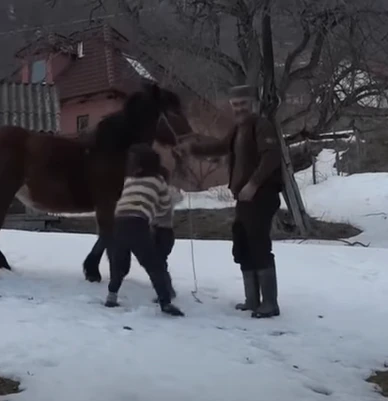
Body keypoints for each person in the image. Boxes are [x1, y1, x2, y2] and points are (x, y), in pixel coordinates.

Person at [182, 84, 283, 318]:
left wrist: (253, 184)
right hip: (244, 198)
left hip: (261, 195)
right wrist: (192, 150)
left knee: (259, 245)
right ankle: (251, 300)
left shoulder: (261, 125)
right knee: (243, 244)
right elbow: (219, 147)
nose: (239, 108)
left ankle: (270, 303)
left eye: (243, 104)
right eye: (235, 105)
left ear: (253, 104)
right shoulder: (238, 129)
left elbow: (271, 157)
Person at [105, 144, 185, 317]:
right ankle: (165, 302)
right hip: (137, 223)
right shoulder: (157, 180)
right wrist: (152, 212)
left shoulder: (129, 180)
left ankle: (111, 296)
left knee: (119, 263)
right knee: (153, 265)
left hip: (118, 222)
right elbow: (164, 205)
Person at [150, 164, 183, 304]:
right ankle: (167, 289)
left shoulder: (161, 193)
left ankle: (166, 291)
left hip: (161, 231)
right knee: (159, 263)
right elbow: (179, 197)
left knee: (158, 263)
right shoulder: (169, 192)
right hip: (165, 232)